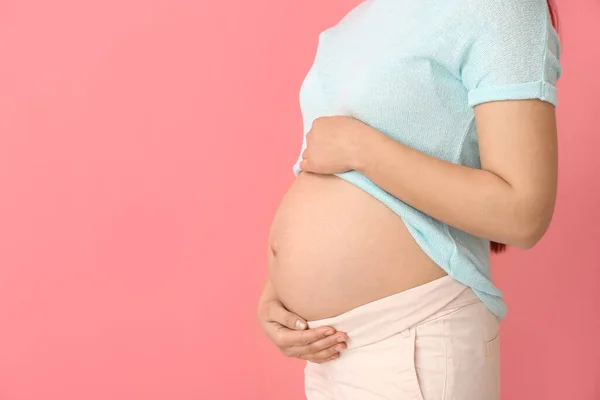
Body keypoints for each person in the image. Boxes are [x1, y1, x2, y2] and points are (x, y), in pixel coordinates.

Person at [258, 0, 562, 398]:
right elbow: (327, 165)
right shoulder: (364, 16)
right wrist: (276, 294)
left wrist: (362, 148)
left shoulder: (500, 7)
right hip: (327, 350)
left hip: (412, 337)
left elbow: (524, 214)